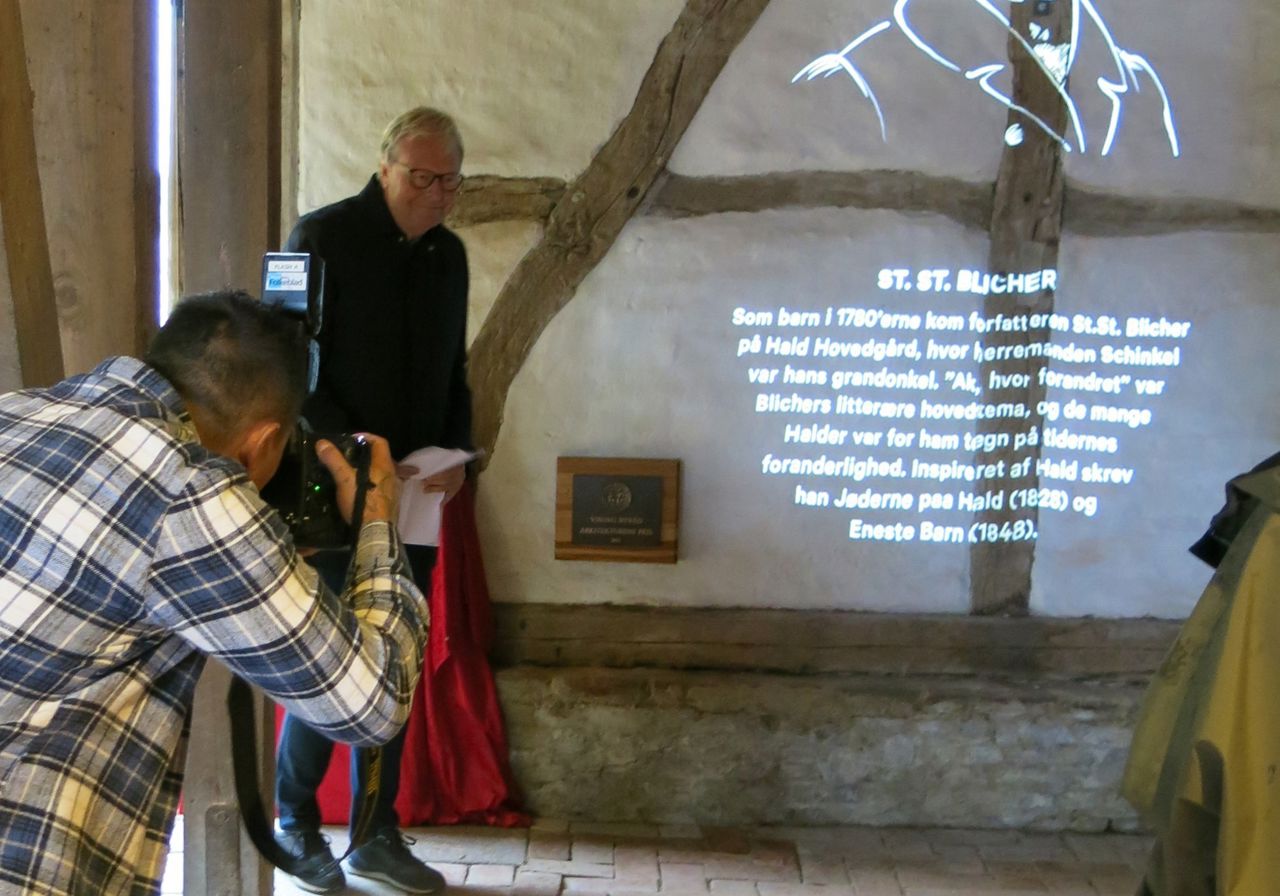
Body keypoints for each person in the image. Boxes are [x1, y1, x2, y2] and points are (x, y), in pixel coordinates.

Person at [0, 290, 427, 896]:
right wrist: (377, 515)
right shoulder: (192, 493)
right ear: (261, 443)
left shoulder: (17, 409)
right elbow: (373, 701)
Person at [273, 105, 473, 895]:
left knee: (393, 662)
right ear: (385, 165)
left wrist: (462, 457)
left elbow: (456, 372)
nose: (436, 194)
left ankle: (374, 831)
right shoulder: (315, 236)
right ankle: (296, 824)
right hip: (329, 483)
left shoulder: (450, 257)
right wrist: (345, 456)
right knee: (326, 659)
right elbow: (286, 366)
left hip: (415, 494)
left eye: (450, 181)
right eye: (422, 177)